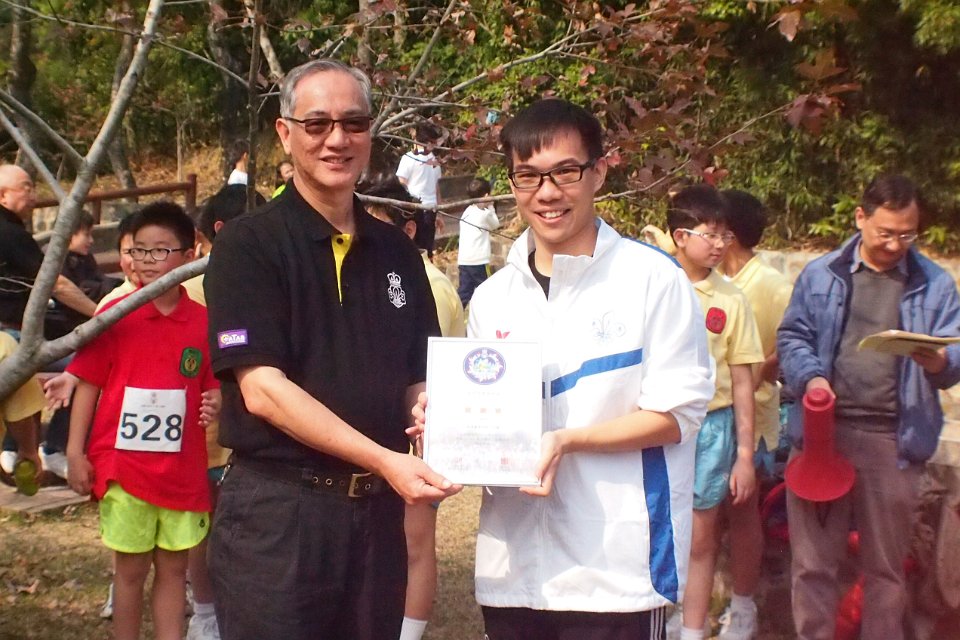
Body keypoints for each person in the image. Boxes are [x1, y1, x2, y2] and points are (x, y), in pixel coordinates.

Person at [417, 98, 713, 639]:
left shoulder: (652, 280)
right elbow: (484, 421)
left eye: (565, 172)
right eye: (528, 176)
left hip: (617, 572)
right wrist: (444, 426)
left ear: (598, 172)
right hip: (513, 571)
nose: (547, 193)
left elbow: (678, 415)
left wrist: (567, 440)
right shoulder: (494, 297)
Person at [204, 59, 459, 640]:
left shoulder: (396, 252)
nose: (337, 139)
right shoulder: (249, 245)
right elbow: (263, 392)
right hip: (279, 517)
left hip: (377, 518)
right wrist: (386, 459)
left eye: (353, 123)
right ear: (285, 133)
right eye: (316, 124)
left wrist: (434, 416)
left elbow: (417, 376)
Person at [777, 174, 960, 640]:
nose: (896, 245)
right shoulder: (821, 274)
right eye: (886, 233)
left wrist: (940, 360)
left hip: (893, 443)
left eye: (907, 235)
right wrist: (812, 378)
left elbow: (954, 353)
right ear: (861, 218)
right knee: (812, 565)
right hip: (822, 434)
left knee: (886, 570)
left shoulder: (934, 283)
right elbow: (793, 336)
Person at [64, 201, 220, 640]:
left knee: (173, 570)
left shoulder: (204, 322)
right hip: (124, 469)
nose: (147, 260)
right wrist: (75, 452)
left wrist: (216, 404)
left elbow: (214, 386)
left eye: (160, 250)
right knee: (129, 572)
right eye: (139, 250)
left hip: (182, 472)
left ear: (189, 255)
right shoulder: (115, 314)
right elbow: (88, 384)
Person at [360, 176, 465, 640]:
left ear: (407, 229)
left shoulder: (427, 285)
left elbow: (424, 369)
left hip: (419, 436)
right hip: (391, 440)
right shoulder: (382, 277)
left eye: (376, 224)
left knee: (415, 546)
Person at [666, 185, 763, 640]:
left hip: (711, 427)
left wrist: (744, 456)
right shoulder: (654, 286)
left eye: (725, 235)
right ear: (679, 236)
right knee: (657, 525)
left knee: (702, 538)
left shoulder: (731, 298)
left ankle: (692, 629)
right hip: (657, 424)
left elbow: (744, 380)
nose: (721, 244)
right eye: (711, 234)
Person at [715, 189, 793, 640]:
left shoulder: (771, 284)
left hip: (753, 418)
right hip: (708, 418)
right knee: (704, 516)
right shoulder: (707, 279)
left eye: (714, 226)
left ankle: (743, 608)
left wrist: (762, 368)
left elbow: (793, 338)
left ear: (730, 232)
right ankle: (700, 602)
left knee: (742, 513)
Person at [0, 164, 97, 478]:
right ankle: (51, 447)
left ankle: (15, 450)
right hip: (11, 337)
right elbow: (55, 283)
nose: (33, 195)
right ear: (3, 196)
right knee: (85, 367)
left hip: (17, 337)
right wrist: (98, 313)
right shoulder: (10, 233)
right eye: (26, 187)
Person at [396, 122, 444, 258]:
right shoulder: (434, 160)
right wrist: (440, 213)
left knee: (413, 248)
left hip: (414, 208)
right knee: (427, 249)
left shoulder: (408, 158)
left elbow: (401, 183)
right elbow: (436, 189)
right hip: (431, 208)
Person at [456, 177, 500, 308]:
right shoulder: (484, 215)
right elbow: (495, 225)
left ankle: (457, 312)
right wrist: (491, 206)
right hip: (479, 262)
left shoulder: (467, 211)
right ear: (486, 196)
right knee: (488, 290)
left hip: (464, 261)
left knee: (464, 292)